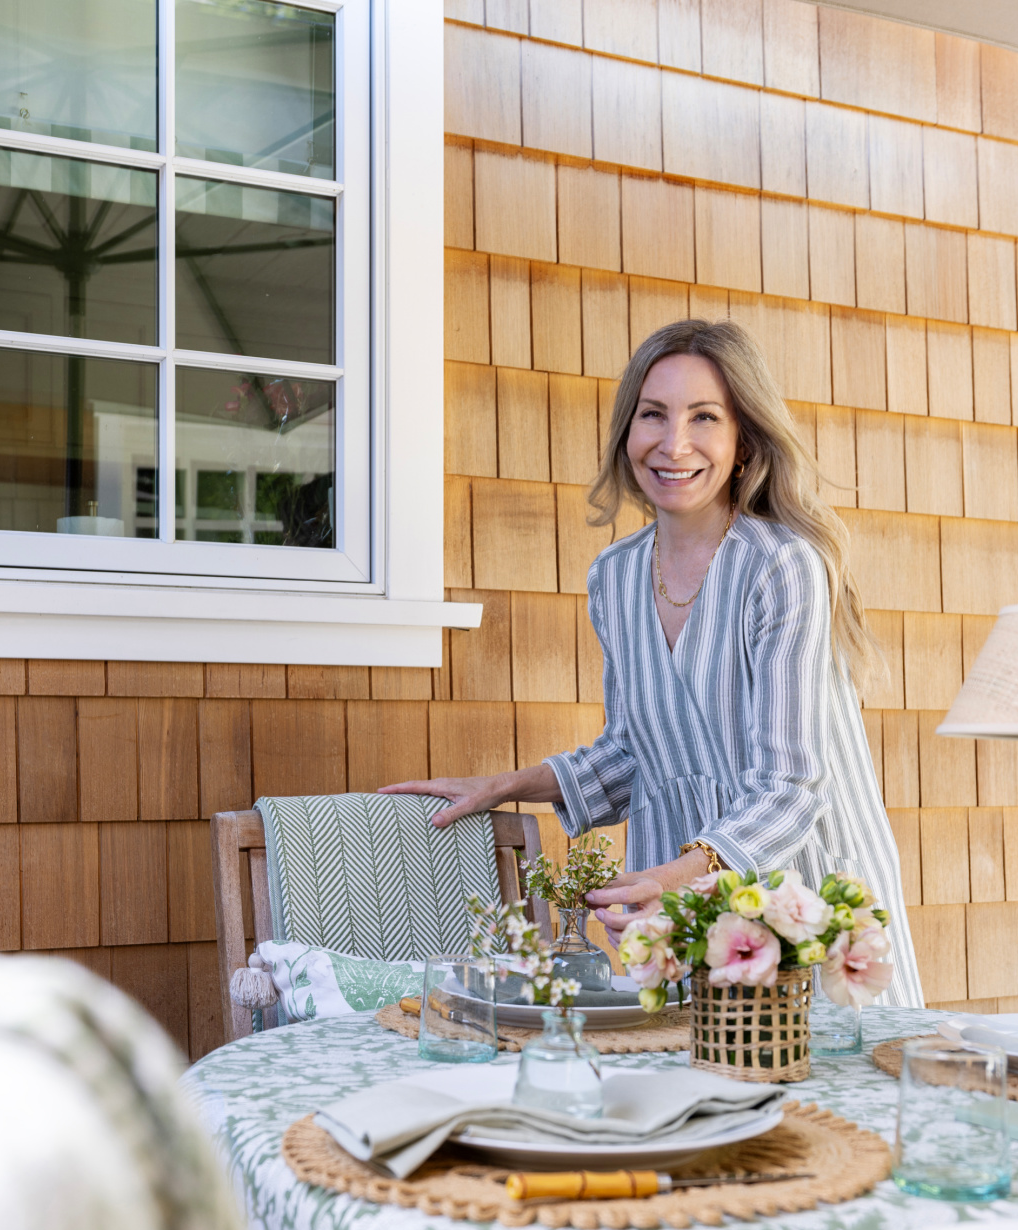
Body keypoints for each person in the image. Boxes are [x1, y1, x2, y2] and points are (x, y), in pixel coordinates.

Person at [382, 319, 923, 1007]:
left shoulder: (782, 567)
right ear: (626, 432)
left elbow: (789, 787)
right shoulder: (614, 576)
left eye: (704, 418)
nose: (674, 444)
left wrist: (673, 877)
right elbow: (637, 753)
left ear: (741, 442)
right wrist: (501, 785)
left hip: (801, 900)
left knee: (821, 1106)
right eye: (653, 415)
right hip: (680, 908)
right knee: (699, 1096)